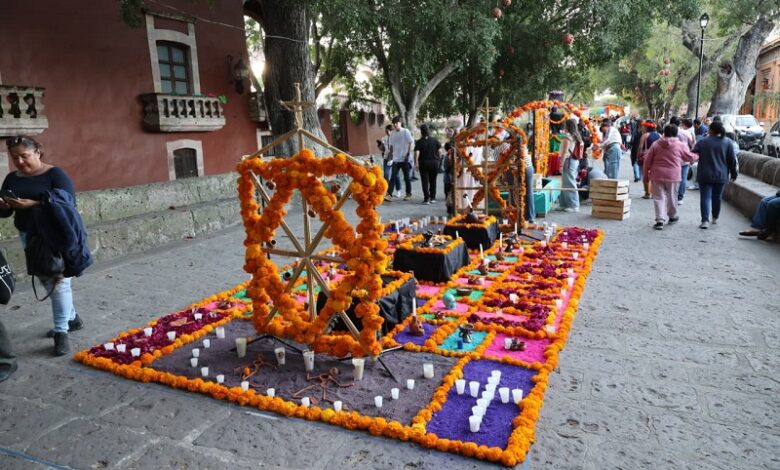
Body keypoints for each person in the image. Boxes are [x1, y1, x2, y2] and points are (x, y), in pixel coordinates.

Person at [0, 136, 88, 356]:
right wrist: (3, 206)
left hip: (56, 235)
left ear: (37, 152)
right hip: (29, 235)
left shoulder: (55, 174)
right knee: (45, 278)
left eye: (24, 156)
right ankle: (71, 318)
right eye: (14, 157)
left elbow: (68, 204)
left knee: (58, 281)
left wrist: (35, 204)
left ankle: (61, 333)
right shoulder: (11, 178)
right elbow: (7, 212)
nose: (20, 161)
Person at [642, 124, 699, 230]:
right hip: (673, 175)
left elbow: (647, 161)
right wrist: (698, 155)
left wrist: (645, 175)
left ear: (665, 132)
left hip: (657, 174)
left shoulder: (656, 144)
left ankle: (659, 220)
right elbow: (689, 157)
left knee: (658, 197)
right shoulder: (680, 144)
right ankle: (672, 216)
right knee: (672, 196)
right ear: (675, 133)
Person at [692, 121, 738, 229]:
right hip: (721, 175)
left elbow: (693, 152)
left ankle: (705, 221)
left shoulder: (703, 142)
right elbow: (732, 160)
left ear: (711, 130)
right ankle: (715, 217)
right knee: (717, 197)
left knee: (705, 197)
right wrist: (734, 173)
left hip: (705, 174)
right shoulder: (727, 142)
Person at [385, 116, 414, 201]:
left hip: (405, 159)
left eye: (396, 123)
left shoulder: (405, 131)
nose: (395, 125)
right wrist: (390, 158)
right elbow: (391, 147)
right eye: (394, 123)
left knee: (406, 177)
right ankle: (389, 195)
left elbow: (410, 143)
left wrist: (408, 154)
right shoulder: (392, 134)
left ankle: (408, 194)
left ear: (400, 123)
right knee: (393, 177)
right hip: (396, 159)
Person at [557, 118, 583, 212]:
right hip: (573, 161)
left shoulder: (567, 137)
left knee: (569, 183)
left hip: (568, 161)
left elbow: (564, 152)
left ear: (567, 126)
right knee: (566, 182)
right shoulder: (576, 136)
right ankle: (564, 204)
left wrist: (560, 165)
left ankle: (574, 205)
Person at [414, 124, 442, 204]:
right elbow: (440, 151)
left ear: (421, 132)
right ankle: (433, 198)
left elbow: (417, 153)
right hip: (434, 163)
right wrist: (439, 159)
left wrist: (416, 163)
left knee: (425, 181)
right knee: (433, 180)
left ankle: (426, 199)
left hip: (423, 163)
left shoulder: (419, 142)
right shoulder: (435, 140)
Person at [637, 120, 661, 198]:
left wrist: (638, 156)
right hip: (657, 157)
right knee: (654, 175)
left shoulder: (645, 135)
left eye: (644, 126)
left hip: (646, 157)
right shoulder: (659, 135)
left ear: (647, 127)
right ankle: (654, 192)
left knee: (646, 175)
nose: (642, 128)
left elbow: (640, 147)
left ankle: (647, 193)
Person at [380, 124, 400, 197]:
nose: (387, 132)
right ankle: (387, 190)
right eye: (386, 130)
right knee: (386, 174)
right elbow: (383, 149)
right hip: (386, 158)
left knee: (396, 175)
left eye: (389, 130)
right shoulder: (384, 138)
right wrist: (380, 146)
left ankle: (398, 190)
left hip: (394, 159)